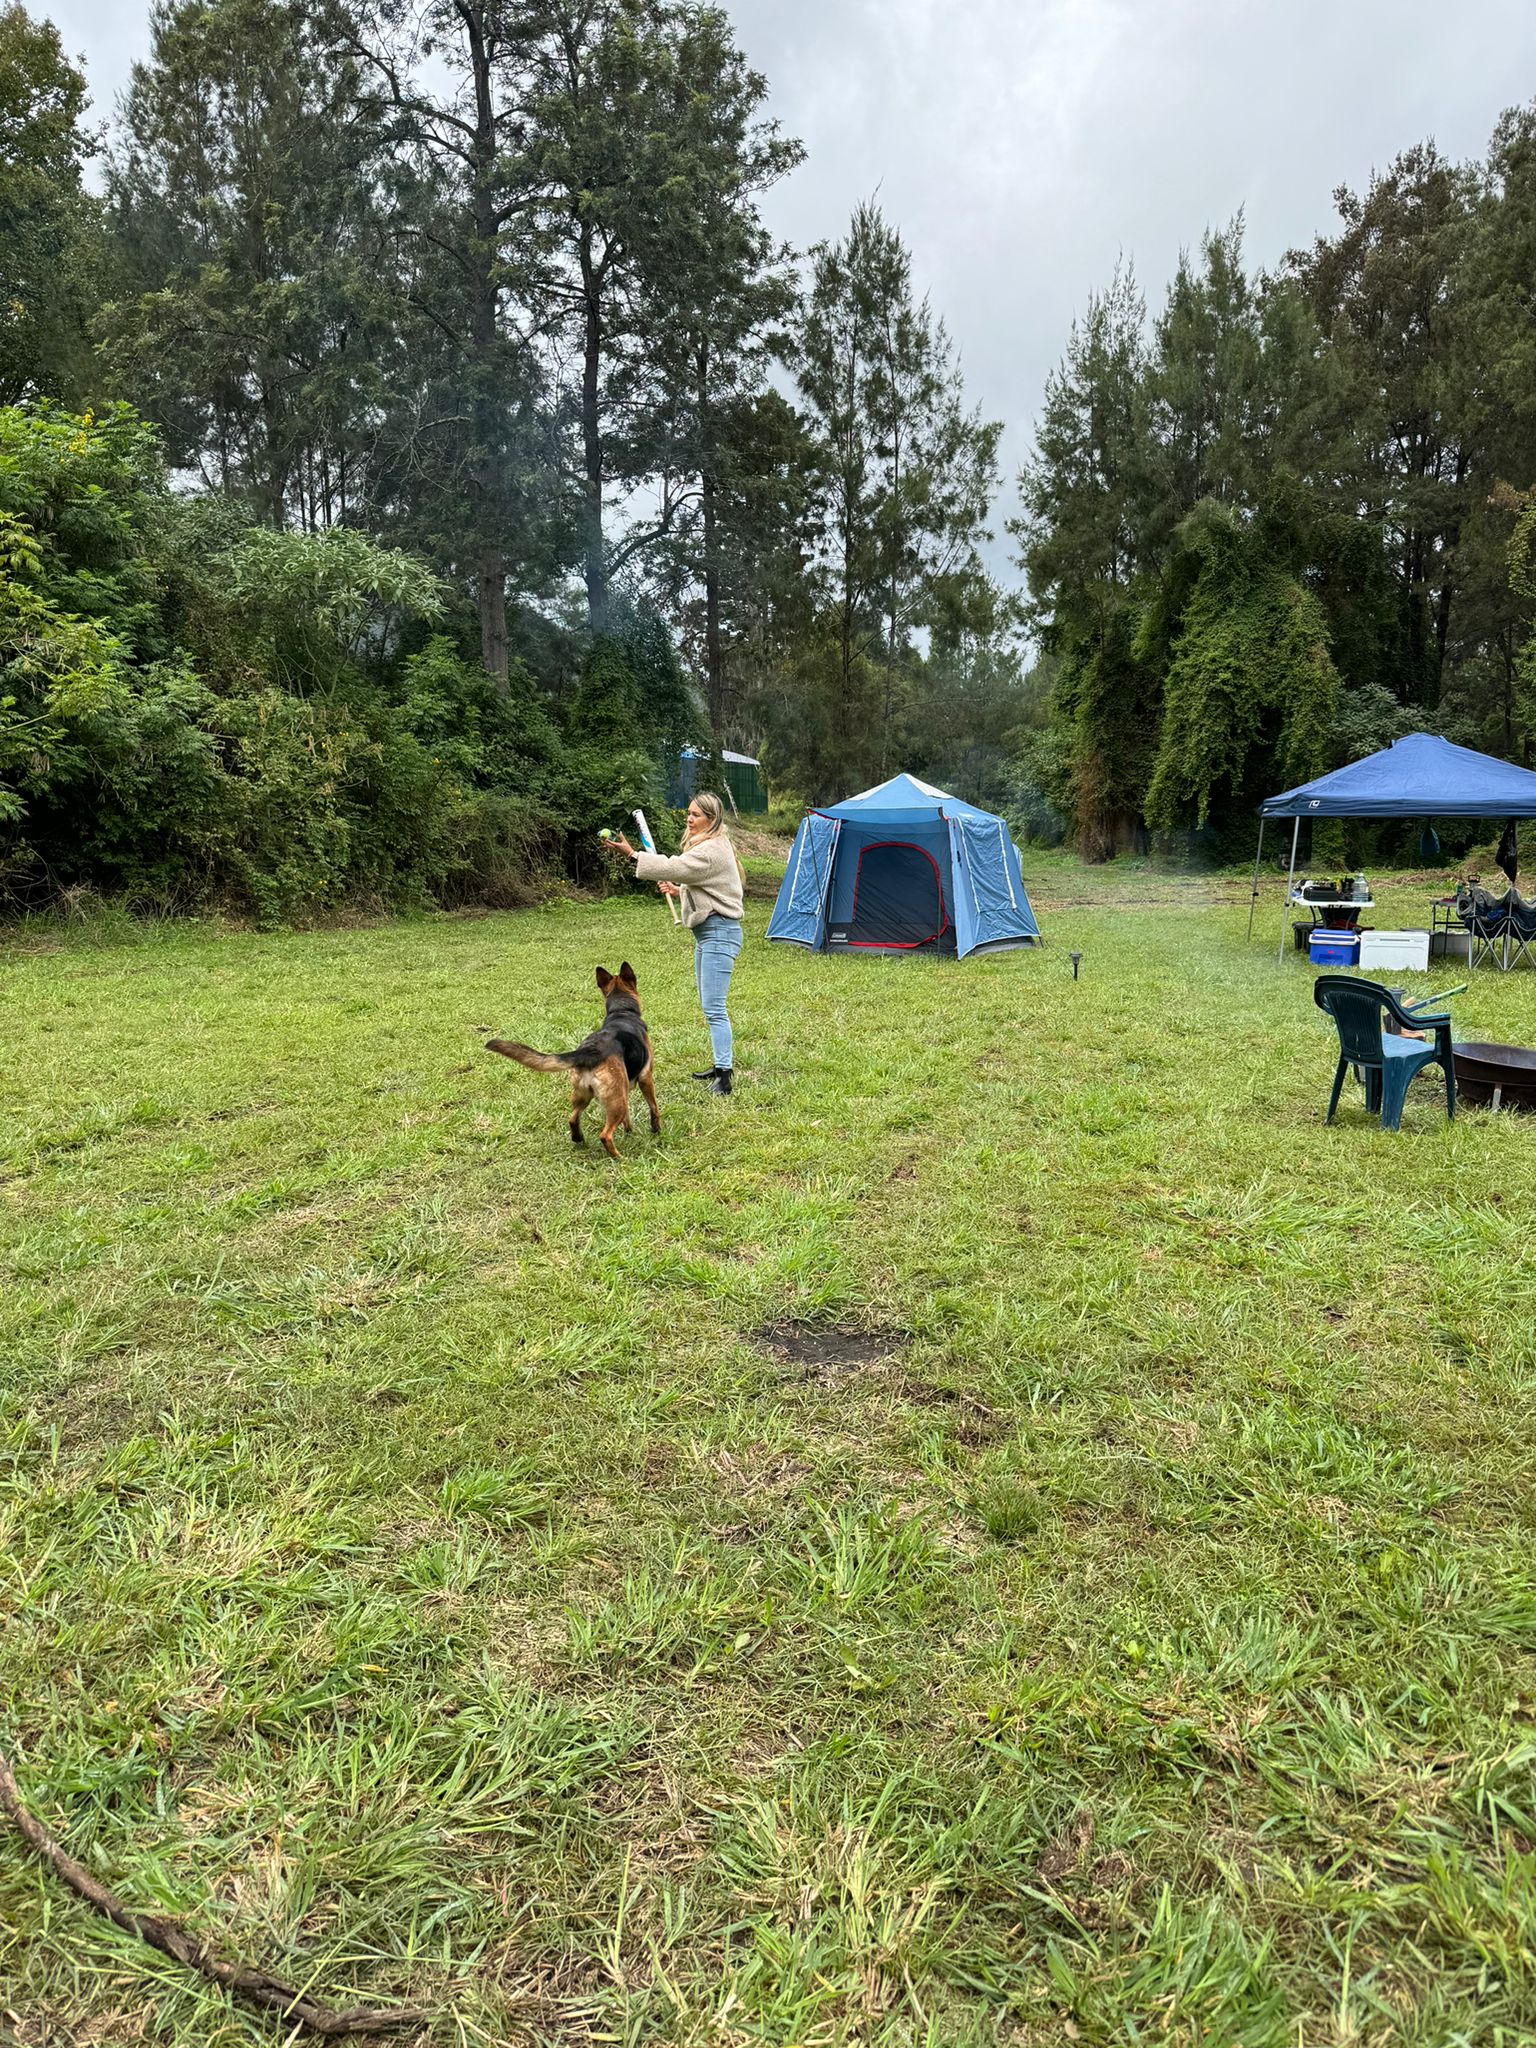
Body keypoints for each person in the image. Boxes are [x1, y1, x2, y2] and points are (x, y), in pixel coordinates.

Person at [608, 793, 745, 1094]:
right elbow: (703, 884)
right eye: (689, 813)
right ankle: (719, 1065)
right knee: (710, 1005)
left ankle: (724, 1076)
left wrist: (633, 855)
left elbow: (676, 866)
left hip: (719, 934)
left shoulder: (710, 849)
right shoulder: (711, 845)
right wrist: (678, 889)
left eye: (696, 815)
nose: (689, 818)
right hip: (708, 934)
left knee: (715, 1008)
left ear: (712, 819)